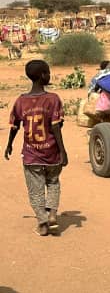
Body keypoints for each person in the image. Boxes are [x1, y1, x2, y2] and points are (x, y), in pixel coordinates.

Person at [5, 60, 68, 236]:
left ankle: (42, 221)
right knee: (53, 182)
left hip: (31, 155)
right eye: (48, 72)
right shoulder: (53, 99)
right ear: (42, 76)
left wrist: (9, 145)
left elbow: (15, 126)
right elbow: (56, 127)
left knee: (35, 190)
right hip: (52, 153)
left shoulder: (20, 101)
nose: (50, 75)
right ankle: (52, 213)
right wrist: (63, 151)